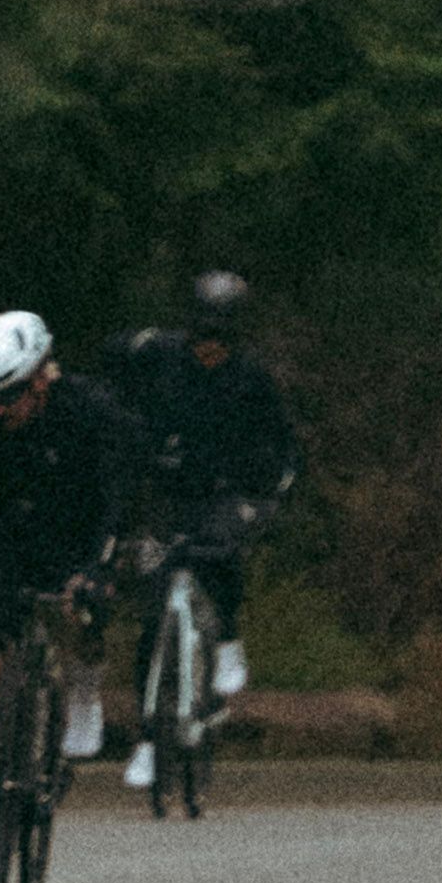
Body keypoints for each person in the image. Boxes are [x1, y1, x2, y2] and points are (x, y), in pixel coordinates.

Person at [0, 312, 144, 875]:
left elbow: (119, 497)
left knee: (84, 611)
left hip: (84, 536)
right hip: (14, 543)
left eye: (8, 395)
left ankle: (84, 692)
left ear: (40, 376)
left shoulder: (92, 413)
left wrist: (99, 568)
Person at [109, 268, 304, 786]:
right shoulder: (162, 354)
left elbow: (284, 446)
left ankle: (227, 642)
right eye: (203, 339)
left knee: (220, 553)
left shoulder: (251, 379)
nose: (209, 350)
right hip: (165, 491)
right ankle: (150, 739)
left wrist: (268, 500)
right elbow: (113, 359)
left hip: (223, 492)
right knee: (153, 621)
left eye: (222, 341)